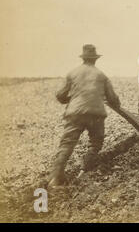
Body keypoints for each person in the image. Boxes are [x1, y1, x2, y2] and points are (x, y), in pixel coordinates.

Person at [48, 44, 120, 188]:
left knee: (67, 144)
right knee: (96, 143)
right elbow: (113, 99)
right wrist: (114, 102)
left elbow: (60, 95)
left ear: (83, 58)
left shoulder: (72, 73)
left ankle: (55, 179)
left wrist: (72, 100)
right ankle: (83, 172)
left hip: (75, 114)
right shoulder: (102, 76)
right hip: (96, 115)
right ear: (95, 59)